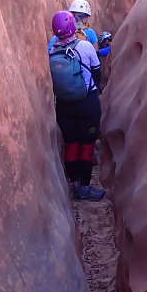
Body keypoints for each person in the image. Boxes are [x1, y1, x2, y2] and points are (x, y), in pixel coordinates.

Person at [49, 11, 106, 201]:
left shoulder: (51, 51)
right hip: (87, 104)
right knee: (86, 147)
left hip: (64, 106)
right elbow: (98, 73)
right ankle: (84, 188)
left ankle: (73, 183)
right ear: (73, 26)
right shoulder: (85, 46)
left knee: (71, 145)